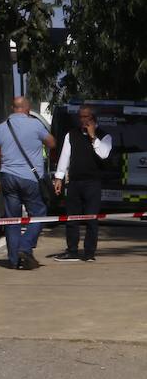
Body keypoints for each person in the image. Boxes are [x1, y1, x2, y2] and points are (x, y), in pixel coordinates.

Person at [0, 96, 56, 270]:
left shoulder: (0, 129)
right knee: (39, 213)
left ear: (13, 108)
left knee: (12, 219)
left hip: (8, 178)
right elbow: (52, 143)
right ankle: (25, 247)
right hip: (30, 179)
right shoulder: (35, 125)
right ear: (27, 109)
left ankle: (13, 261)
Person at [51, 105, 113, 262]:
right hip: (75, 183)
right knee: (72, 218)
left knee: (91, 219)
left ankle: (89, 253)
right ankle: (72, 250)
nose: (83, 120)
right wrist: (59, 178)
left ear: (93, 119)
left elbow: (104, 155)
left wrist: (93, 138)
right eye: (81, 117)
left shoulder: (104, 136)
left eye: (87, 117)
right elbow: (64, 157)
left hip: (92, 183)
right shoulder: (71, 134)